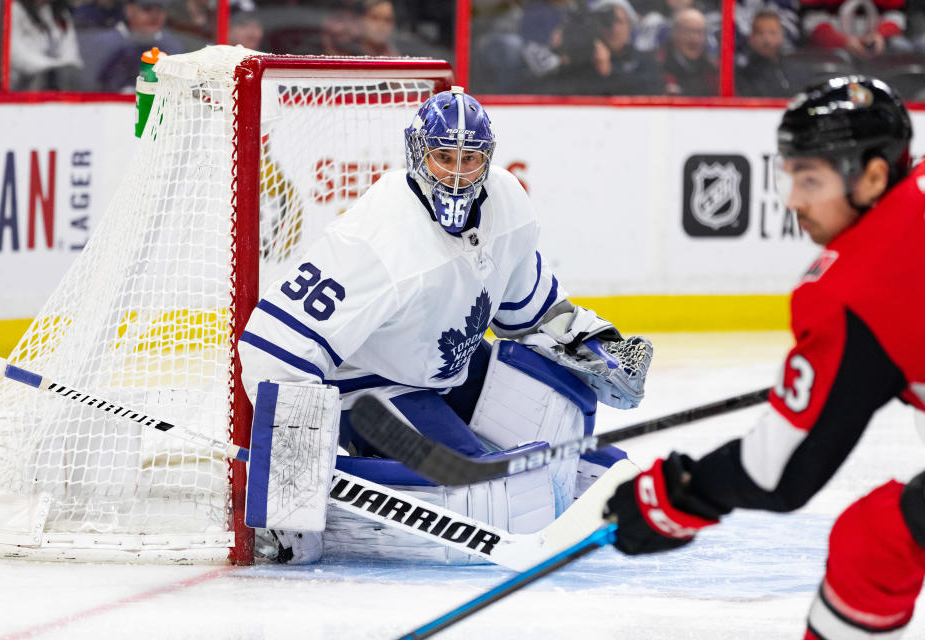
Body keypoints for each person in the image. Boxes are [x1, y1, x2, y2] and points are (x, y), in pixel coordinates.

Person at [239, 86, 652, 563]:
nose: (457, 174)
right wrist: (294, 494)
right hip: (372, 386)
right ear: (419, 154)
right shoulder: (374, 240)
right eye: (443, 157)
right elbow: (273, 349)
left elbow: (528, 308)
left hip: (448, 363)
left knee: (564, 416)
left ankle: (563, 473)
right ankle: (350, 502)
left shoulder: (507, 201)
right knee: (490, 498)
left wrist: (593, 343)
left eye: (469, 159)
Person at [605, 75, 925, 640]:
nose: (793, 199)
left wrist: (679, 494)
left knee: (875, 542)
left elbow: (779, 473)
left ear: (873, 176)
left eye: (811, 178)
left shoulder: (857, 283)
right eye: (790, 174)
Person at [548, 0, 664, 95]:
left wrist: (609, 72)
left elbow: (652, 94)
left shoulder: (644, 60)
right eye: (606, 21)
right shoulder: (581, 57)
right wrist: (561, 59)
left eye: (619, 21)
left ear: (630, 26)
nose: (614, 28)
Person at [78, 0, 184, 92]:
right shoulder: (103, 43)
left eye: (160, 9)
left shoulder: (173, 46)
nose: (155, 16)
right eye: (147, 8)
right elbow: (90, 89)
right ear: (129, 10)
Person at [0, 0, 83, 91]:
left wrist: (61, 68)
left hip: (50, 83)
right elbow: (15, 55)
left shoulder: (59, 13)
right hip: (4, 88)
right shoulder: (4, 8)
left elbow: (71, 54)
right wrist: (53, 67)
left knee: (70, 75)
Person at [737, 8, 803, 96]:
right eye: (760, 33)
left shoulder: (795, 69)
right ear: (751, 38)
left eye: (772, 33)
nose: (767, 40)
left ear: (782, 36)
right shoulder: (744, 76)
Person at [657, 8, 719, 95]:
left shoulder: (713, 69)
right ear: (675, 34)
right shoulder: (659, 65)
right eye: (688, 31)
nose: (694, 38)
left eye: (699, 32)